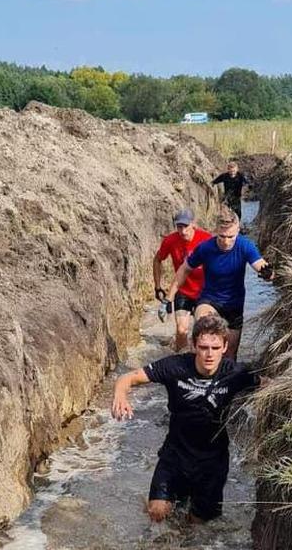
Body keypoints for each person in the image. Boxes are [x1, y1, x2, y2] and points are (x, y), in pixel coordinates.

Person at [111, 312, 260, 524]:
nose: (209, 354)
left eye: (215, 348)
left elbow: (269, 385)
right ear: (193, 346)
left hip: (212, 462)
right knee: (157, 512)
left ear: (225, 347)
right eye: (204, 347)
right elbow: (129, 377)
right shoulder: (176, 366)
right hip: (175, 455)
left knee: (197, 526)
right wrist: (120, 395)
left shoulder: (236, 374)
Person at [166, 208, 274, 361]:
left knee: (229, 356)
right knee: (205, 330)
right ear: (216, 231)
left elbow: (261, 265)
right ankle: (192, 368)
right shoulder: (205, 248)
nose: (226, 241)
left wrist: (268, 274)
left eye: (231, 237)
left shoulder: (245, 246)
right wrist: (169, 297)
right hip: (209, 300)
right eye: (222, 236)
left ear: (238, 230)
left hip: (234, 305)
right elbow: (184, 269)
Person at [153, 208, 212, 351]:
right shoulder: (170, 240)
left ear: (193, 224)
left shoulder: (207, 239)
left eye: (186, 226)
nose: (183, 231)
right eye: (179, 227)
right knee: (181, 330)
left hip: (204, 292)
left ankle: (199, 361)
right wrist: (157, 286)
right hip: (183, 291)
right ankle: (181, 361)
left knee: (203, 330)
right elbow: (157, 259)